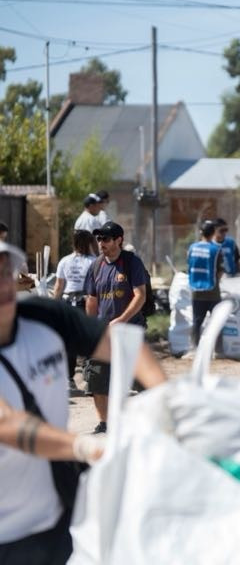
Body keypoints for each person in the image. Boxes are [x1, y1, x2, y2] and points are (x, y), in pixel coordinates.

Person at [0, 241, 166, 564]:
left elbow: (119, 344)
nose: (3, 284)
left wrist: (167, 399)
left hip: (61, 517)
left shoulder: (43, 316)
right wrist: (86, 448)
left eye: (5, 272)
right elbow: (8, 424)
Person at [84, 222, 149, 434]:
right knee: (96, 379)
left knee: (143, 381)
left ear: (118, 240)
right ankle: (105, 423)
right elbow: (92, 300)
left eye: (106, 239)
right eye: (99, 239)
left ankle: (149, 421)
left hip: (130, 331)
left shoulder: (132, 263)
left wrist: (121, 319)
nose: (101, 243)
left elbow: (140, 295)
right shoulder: (96, 266)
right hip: (103, 333)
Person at [52, 230, 96, 393]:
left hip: (68, 303)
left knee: (69, 343)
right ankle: (90, 380)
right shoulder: (94, 261)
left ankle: (69, 380)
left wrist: (54, 306)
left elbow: (58, 286)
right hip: (87, 302)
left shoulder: (65, 261)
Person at [187, 220, 223, 356]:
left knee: (197, 321)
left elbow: (189, 266)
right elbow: (220, 271)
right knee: (217, 320)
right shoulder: (216, 249)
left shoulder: (192, 248)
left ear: (201, 232)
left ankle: (195, 349)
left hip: (196, 290)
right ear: (213, 233)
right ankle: (218, 351)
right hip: (212, 291)